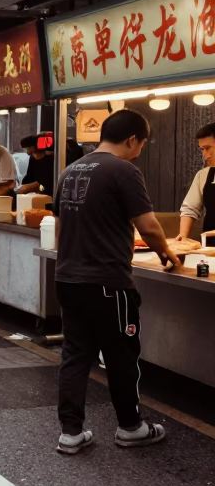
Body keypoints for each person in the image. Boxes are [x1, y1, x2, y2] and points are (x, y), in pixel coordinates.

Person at [54, 108, 181, 456]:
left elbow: (61, 228)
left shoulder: (70, 170)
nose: (140, 150)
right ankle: (130, 427)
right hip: (108, 283)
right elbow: (150, 227)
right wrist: (167, 254)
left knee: (75, 356)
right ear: (131, 139)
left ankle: (71, 433)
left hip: (68, 278)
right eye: (141, 143)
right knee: (122, 355)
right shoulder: (124, 171)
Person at [178, 121, 215, 242]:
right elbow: (190, 208)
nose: (205, 155)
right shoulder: (203, 175)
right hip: (209, 248)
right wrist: (183, 235)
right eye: (202, 149)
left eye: (208, 148)